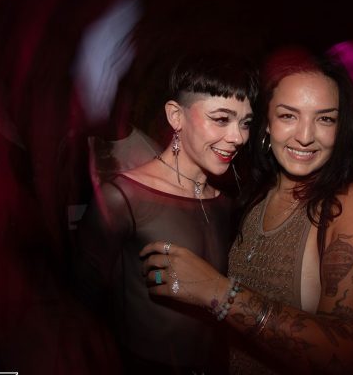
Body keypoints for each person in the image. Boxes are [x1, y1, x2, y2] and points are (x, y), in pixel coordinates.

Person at [140, 48, 353, 374]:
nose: (305, 137)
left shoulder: (352, 204)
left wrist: (217, 292)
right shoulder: (250, 198)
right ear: (267, 125)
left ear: (340, 127)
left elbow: (349, 353)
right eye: (288, 116)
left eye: (325, 118)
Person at [75, 51, 258, 373]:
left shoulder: (225, 203)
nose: (238, 137)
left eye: (245, 123)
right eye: (221, 119)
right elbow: (81, 305)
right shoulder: (124, 198)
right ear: (176, 116)